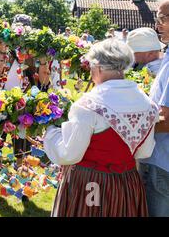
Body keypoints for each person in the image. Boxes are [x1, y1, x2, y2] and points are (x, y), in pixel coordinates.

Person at [44, 38, 159, 217]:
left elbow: (69, 154)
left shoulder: (89, 105)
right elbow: (143, 152)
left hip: (90, 184)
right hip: (126, 183)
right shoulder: (148, 104)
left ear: (98, 68)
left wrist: (51, 133)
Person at [138, 0, 169, 217]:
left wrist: (129, 129)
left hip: (161, 162)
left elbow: (166, 121)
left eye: (162, 18)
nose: (157, 25)